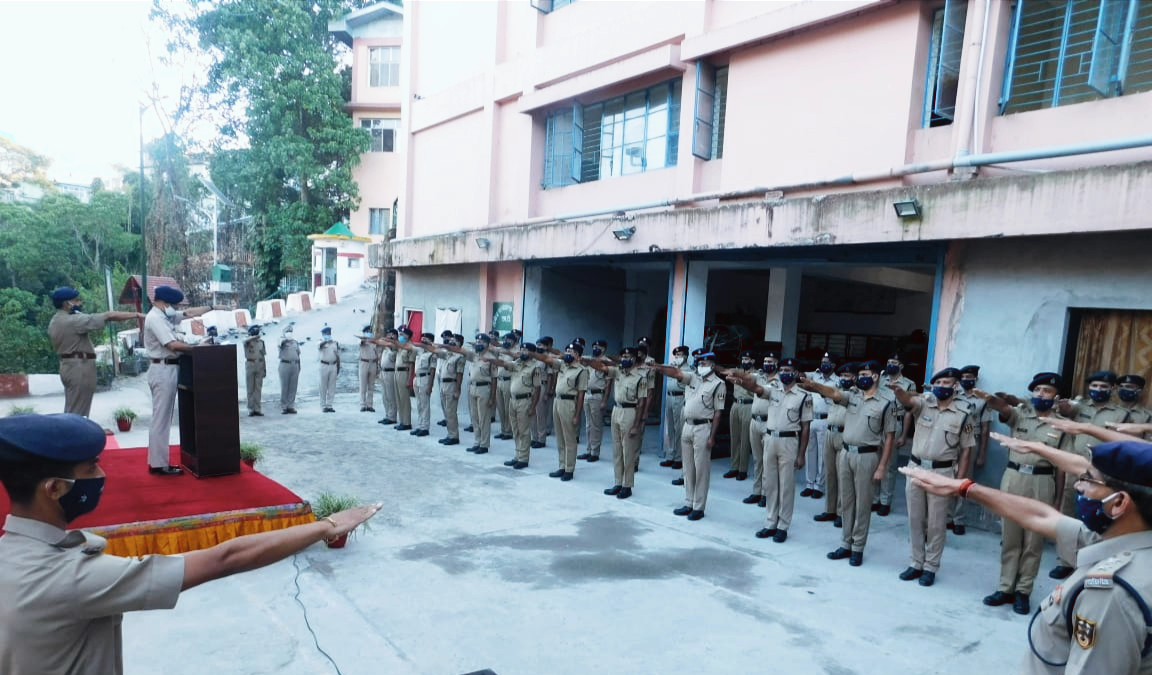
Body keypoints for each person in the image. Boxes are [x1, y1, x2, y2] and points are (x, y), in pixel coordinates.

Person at [0, 413, 380, 675]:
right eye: (90, 469)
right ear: (54, 489)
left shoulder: (11, 552)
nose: (102, 475)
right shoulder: (69, 577)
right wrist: (327, 525)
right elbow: (225, 557)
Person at [902, 437, 1152, 674]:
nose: (1079, 486)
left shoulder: (1111, 595)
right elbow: (1043, 517)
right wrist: (966, 488)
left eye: (1089, 480)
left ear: (1118, 503)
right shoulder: (1126, 540)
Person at [971, 372, 1067, 614]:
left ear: (1056, 395)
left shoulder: (1061, 424)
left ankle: (1023, 591)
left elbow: (1063, 464)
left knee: (1033, 541)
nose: (1041, 395)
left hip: (1043, 481)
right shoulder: (1021, 415)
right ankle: (1005, 588)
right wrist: (992, 400)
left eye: (1047, 391)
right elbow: (1003, 409)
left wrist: (1058, 499)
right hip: (1014, 478)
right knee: (1010, 536)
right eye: (1037, 390)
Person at [799, 360, 896, 565]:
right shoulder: (852, 397)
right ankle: (845, 544)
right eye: (859, 374)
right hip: (845, 453)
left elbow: (889, 437)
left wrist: (882, 467)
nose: (861, 377)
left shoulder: (886, 403)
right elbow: (834, 394)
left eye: (865, 373)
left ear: (876, 376)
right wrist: (815, 385)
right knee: (847, 500)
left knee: (863, 503)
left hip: (867, 456)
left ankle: (858, 547)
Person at [890, 367, 975, 586]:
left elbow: (966, 450)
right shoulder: (924, 404)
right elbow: (909, 401)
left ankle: (930, 567)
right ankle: (916, 562)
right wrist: (900, 393)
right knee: (915, 519)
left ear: (955, 386)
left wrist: (960, 483)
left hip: (942, 472)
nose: (942, 387)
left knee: (936, 523)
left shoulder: (964, 412)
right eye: (938, 383)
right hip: (916, 469)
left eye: (947, 383)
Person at [1051, 370, 1131, 579]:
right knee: (1068, 513)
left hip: (1102, 475)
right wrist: (1063, 406)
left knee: (1097, 517)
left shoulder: (1121, 413)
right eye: (1094, 386)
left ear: (1112, 389)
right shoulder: (1080, 407)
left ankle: (1092, 559)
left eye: (1103, 387)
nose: (1098, 390)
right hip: (1076, 471)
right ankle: (1065, 561)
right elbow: (1067, 410)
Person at [143, 286, 212, 476]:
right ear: (164, 303)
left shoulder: (164, 315)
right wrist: (197, 347)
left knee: (161, 417)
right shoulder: (156, 318)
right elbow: (171, 344)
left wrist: (213, 307)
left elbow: (189, 313)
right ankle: (159, 465)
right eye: (173, 304)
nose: (175, 308)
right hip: (163, 368)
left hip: (168, 368)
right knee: (161, 419)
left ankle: (158, 462)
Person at [47, 287, 143, 418]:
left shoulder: (56, 320)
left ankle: (74, 434)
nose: (79, 304)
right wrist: (137, 315)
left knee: (74, 406)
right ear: (66, 303)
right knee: (77, 411)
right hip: (79, 367)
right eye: (76, 301)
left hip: (69, 365)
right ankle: (75, 436)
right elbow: (108, 316)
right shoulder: (73, 321)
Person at [653, 352, 726, 520]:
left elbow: (718, 413)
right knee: (687, 468)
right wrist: (658, 368)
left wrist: (712, 436)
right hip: (688, 425)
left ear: (713, 365)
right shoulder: (693, 377)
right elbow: (676, 373)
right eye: (700, 362)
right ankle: (688, 502)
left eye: (705, 363)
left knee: (701, 469)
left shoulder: (718, 384)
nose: (701, 365)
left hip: (703, 428)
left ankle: (699, 507)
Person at [585, 347, 647, 499]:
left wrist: (636, 425)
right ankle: (618, 482)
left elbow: (641, 403)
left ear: (634, 359)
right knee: (617, 450)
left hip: (630, 412)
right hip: (616, 411)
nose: (625, 359)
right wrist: (586, 360)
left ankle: (627, 485)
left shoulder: (640, 378)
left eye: (628, 356)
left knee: (628, 451)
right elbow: (601, 367)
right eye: (623, 356)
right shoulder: (617, 372)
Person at [948, 364, 996, 535]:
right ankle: (946, 516)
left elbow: (985, 429)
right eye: (964, 378)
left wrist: (982, 454)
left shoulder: (982, 400)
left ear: (976, 379)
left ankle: (958, 519)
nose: (966, 381)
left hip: (971, 441)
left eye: (970, 378)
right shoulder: (953, 396)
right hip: (951, 440)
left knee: (964, 480)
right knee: (947, 475)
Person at [534, 342, 588, 481]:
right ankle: (562, 466)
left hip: (569, 403)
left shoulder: (581, 371)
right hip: (557, 402)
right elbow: (547, 360)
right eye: (567, 350)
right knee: (559, 437)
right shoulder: (562, 364)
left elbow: (581, 394)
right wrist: (536, 352)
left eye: (572, 351)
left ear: (578, 355)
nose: (568, 353)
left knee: (569, 438)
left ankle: (569, 469)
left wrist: (577, 415)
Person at [812, 362, 856, 526]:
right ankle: (829, 509)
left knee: (842, 476)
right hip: (830, 431)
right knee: (830, 473)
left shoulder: (855, 393)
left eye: (848, 376)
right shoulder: (834, 390)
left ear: (854, 378)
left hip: (844, 433)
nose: (845, 379)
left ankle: (841, 512)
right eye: (843, 376)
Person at [875, 353, 917, 516]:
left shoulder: (908, 384)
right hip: (878, 423)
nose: (890, 364)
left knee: (889, 465)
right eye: (888, 361)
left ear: (901, 366)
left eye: (894, 362)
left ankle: (885, 501)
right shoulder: (881, 380)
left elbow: (909, 411)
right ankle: (875, 499)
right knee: (875, 461)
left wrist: (904, 435)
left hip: (896, 422)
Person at [489, 342, 541, 467]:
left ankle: (523, 459)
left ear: (532, 353)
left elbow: (537, 389)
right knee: (516, 430)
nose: (522, 352)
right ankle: (517, 455)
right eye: (521, 349)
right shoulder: (516, 363)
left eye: (525, 350)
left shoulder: (535, 367)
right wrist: (491, 359)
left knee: (524, 431)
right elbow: (504, 364)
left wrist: (533, 407)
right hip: (513, 401)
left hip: (525, 401)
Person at [802, 352, 838, 500]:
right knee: (809, 453)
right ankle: (809, 484)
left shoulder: (838, 381)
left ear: (834, 365)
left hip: (825, 419)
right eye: (822, 362)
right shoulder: (815, 377)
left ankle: (819, 485)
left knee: (823, 454)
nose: (824, 365)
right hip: (811, 418)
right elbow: (801, 374)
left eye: (827, 362)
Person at [724, 351, 757, 481]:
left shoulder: (757, 374)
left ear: (753, 361)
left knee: (745, 439)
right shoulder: (736, 371)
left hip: (748, 405)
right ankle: (734, 467)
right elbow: (725, 371)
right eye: (743, 359)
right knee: (734, 437)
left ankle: (742, 469)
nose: (744, 361)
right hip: (736, 404)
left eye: (747, 359)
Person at [578, 339, 612, 463]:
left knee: (596, 425)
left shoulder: (606, 362)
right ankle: (588, 450)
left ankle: (595, 452)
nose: (596, 348)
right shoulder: (590, 361)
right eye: (594, 346)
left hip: (598, 395)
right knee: (588, 425)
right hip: (587, 394)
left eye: (599, 347)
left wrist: (605, 401)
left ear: (604, 349)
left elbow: (608, 383)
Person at [658, 345, 691, 471]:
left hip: (680, 398)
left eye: (680, 355)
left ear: (686, 357)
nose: (677, 357)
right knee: (670, 427)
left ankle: (678, 458)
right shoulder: (672, 367)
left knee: (679, 428)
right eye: (676, 355)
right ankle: (671, 455)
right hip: (670, 398)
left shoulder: (688, 370)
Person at [432, 332, 465, 446]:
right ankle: (449, 434)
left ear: (459, 343)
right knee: (446, 411)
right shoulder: (448, 355)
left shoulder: (459, 357)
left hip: (451, 385)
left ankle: (454, 436)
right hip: (443, 384)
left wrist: (457, 390)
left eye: (454, 341)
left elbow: (459, 375)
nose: (451, 342)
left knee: (451, 412)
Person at [409, 332, 437, 437]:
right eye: (423, 337)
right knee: (419, 404)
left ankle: (425, 427)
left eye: (426, 338)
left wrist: (430, 385)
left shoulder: (432, 353)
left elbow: (433, 370)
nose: (423, 339)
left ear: (430, 341)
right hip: (417, 378)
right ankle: (420, 425)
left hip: (425, 378)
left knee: (425, 404)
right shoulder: (419, 351)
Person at [391, 326, 415, 431]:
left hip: (404, 373)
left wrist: (410, 379)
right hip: (397, 372)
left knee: (404, 399)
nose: (400, 336)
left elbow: (411, 365)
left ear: (408, 336)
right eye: (400, 334)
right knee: (399, 398)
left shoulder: (411, 347)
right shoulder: (401, 346)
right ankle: (402, 421)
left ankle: (407, 422)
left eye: (402, 335)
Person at [242, 325, 266, 417]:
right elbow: (244, 341)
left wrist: (264, 369)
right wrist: (253, 337)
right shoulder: (247, 341)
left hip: (259, 364)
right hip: (250, 364)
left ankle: (257, 409)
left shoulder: (261, 342)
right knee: (250, 388)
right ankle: (250, 409)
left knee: (258, 388)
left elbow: (263, 356)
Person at [376, 328, 399, 425]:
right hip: (383, 372)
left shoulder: (395, 347)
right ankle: (387, 415)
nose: (388, 336)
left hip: (390, 372)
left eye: (390, 334)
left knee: (391, 395)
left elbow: (393, 357)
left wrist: (390, 345)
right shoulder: (385, 348)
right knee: (384, 396)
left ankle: (392, 417)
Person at [278, 325, 301, 414]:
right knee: (285, 386)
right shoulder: (281, 340)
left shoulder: (295, 342)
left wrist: (299, 366)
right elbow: (279, 343)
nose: (289, 333)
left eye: (290, 332)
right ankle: (284, 406)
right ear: (285, 333)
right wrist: (284, 336)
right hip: (285, 364)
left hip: (295, 364)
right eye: (287, 332)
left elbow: (298, 354)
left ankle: (291, 406)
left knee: (293, 387)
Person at [356, 325, 380, 413]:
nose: (369, 332)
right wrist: (365, 339)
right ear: (364, 332)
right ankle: (362, 404)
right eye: (368, 331)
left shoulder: (374, 341)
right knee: (363, 385)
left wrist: (377, 366)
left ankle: (370, 405)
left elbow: (377, 353)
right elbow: (360, 342)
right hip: (364, 363)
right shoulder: (361, 339)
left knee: (371, 385)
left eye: (370, 330)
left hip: (373, 363)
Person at [317, 325, 340, 413]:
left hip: (333, 365)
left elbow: (338, 356)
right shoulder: (320, 341)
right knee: (323, 386)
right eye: (325, 333)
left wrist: (338, 367)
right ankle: (323, 406)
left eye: (328, 333)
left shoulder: (335, 343)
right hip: (324, 365)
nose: (327, 334)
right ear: (323, 334)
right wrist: (325, 341)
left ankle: (329, 405)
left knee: (332, 386)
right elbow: (319, 346)